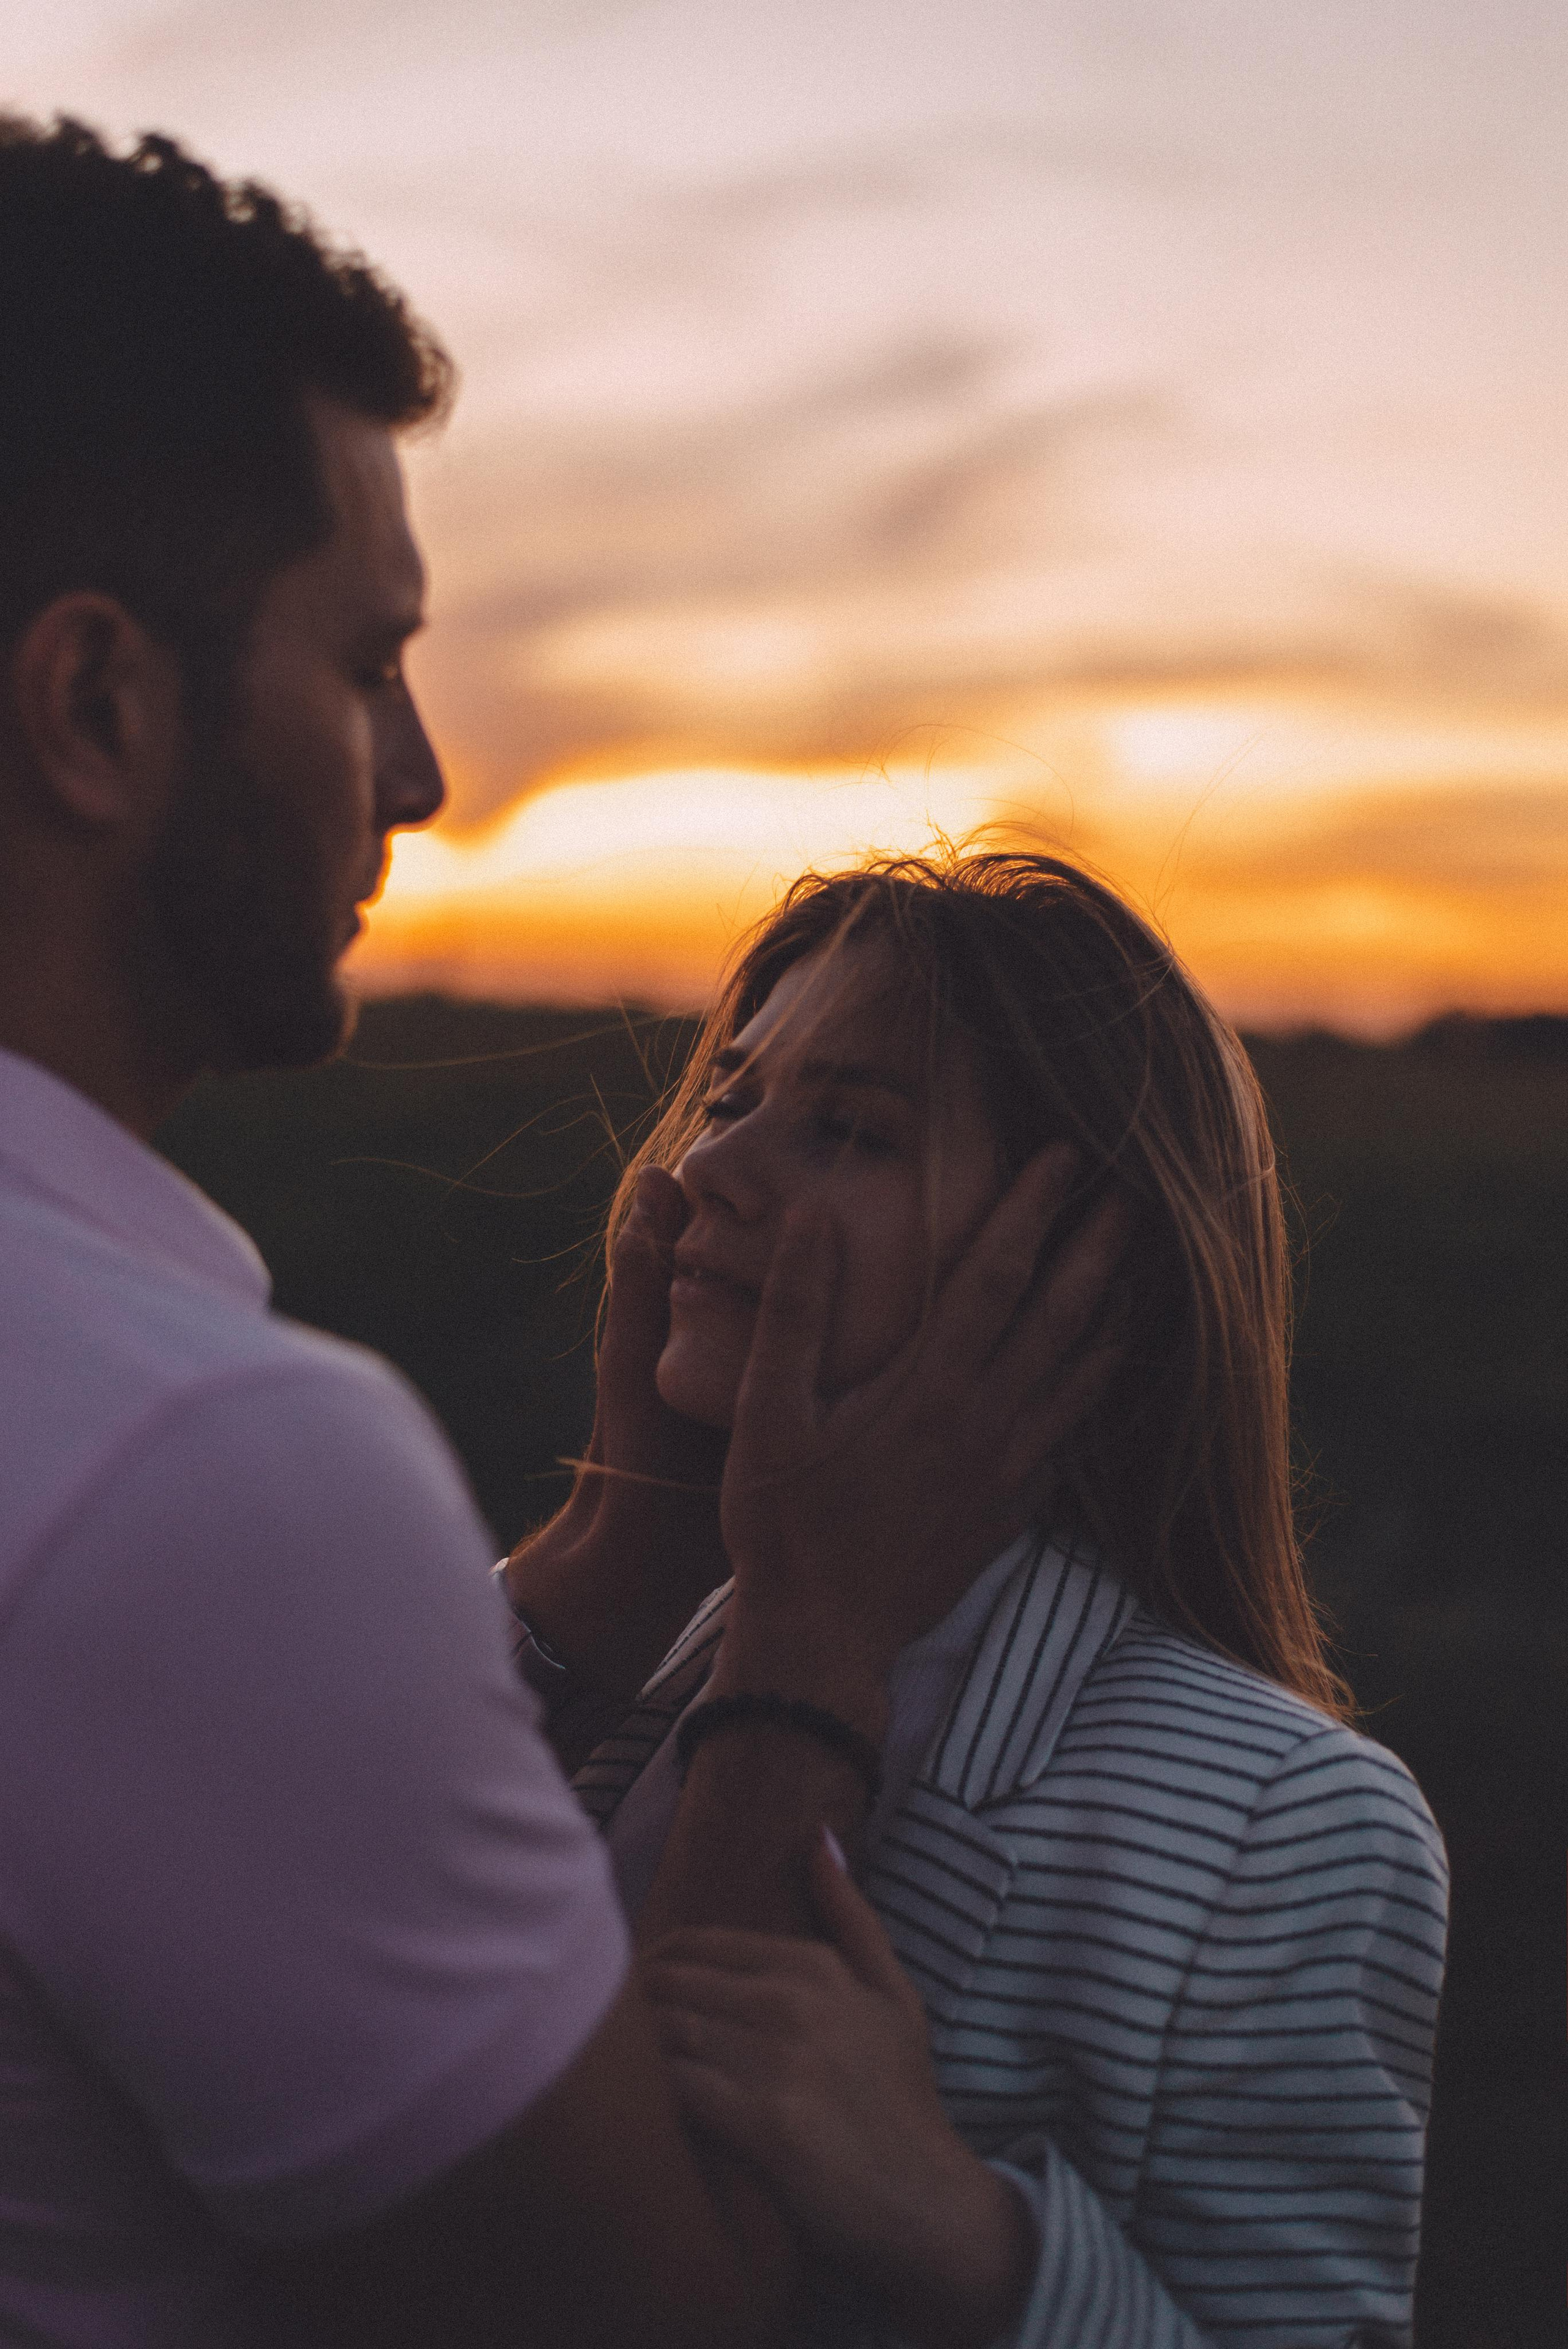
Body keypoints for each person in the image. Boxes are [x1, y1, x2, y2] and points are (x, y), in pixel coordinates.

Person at [0, 119, 1127, 2346]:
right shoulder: (197, 1466)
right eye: (365, 663)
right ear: (102, 706)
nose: (420, 775)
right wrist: (808, 1628)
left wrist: (623, 1541)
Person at [502, 852, 1450, 2349]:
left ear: (1081, 1264)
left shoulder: (1282, 1819)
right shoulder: (643, 1657)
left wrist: (967, 2233)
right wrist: (618, 1537)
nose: (703, 1174)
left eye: (849, 1131)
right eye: (731, 1099)